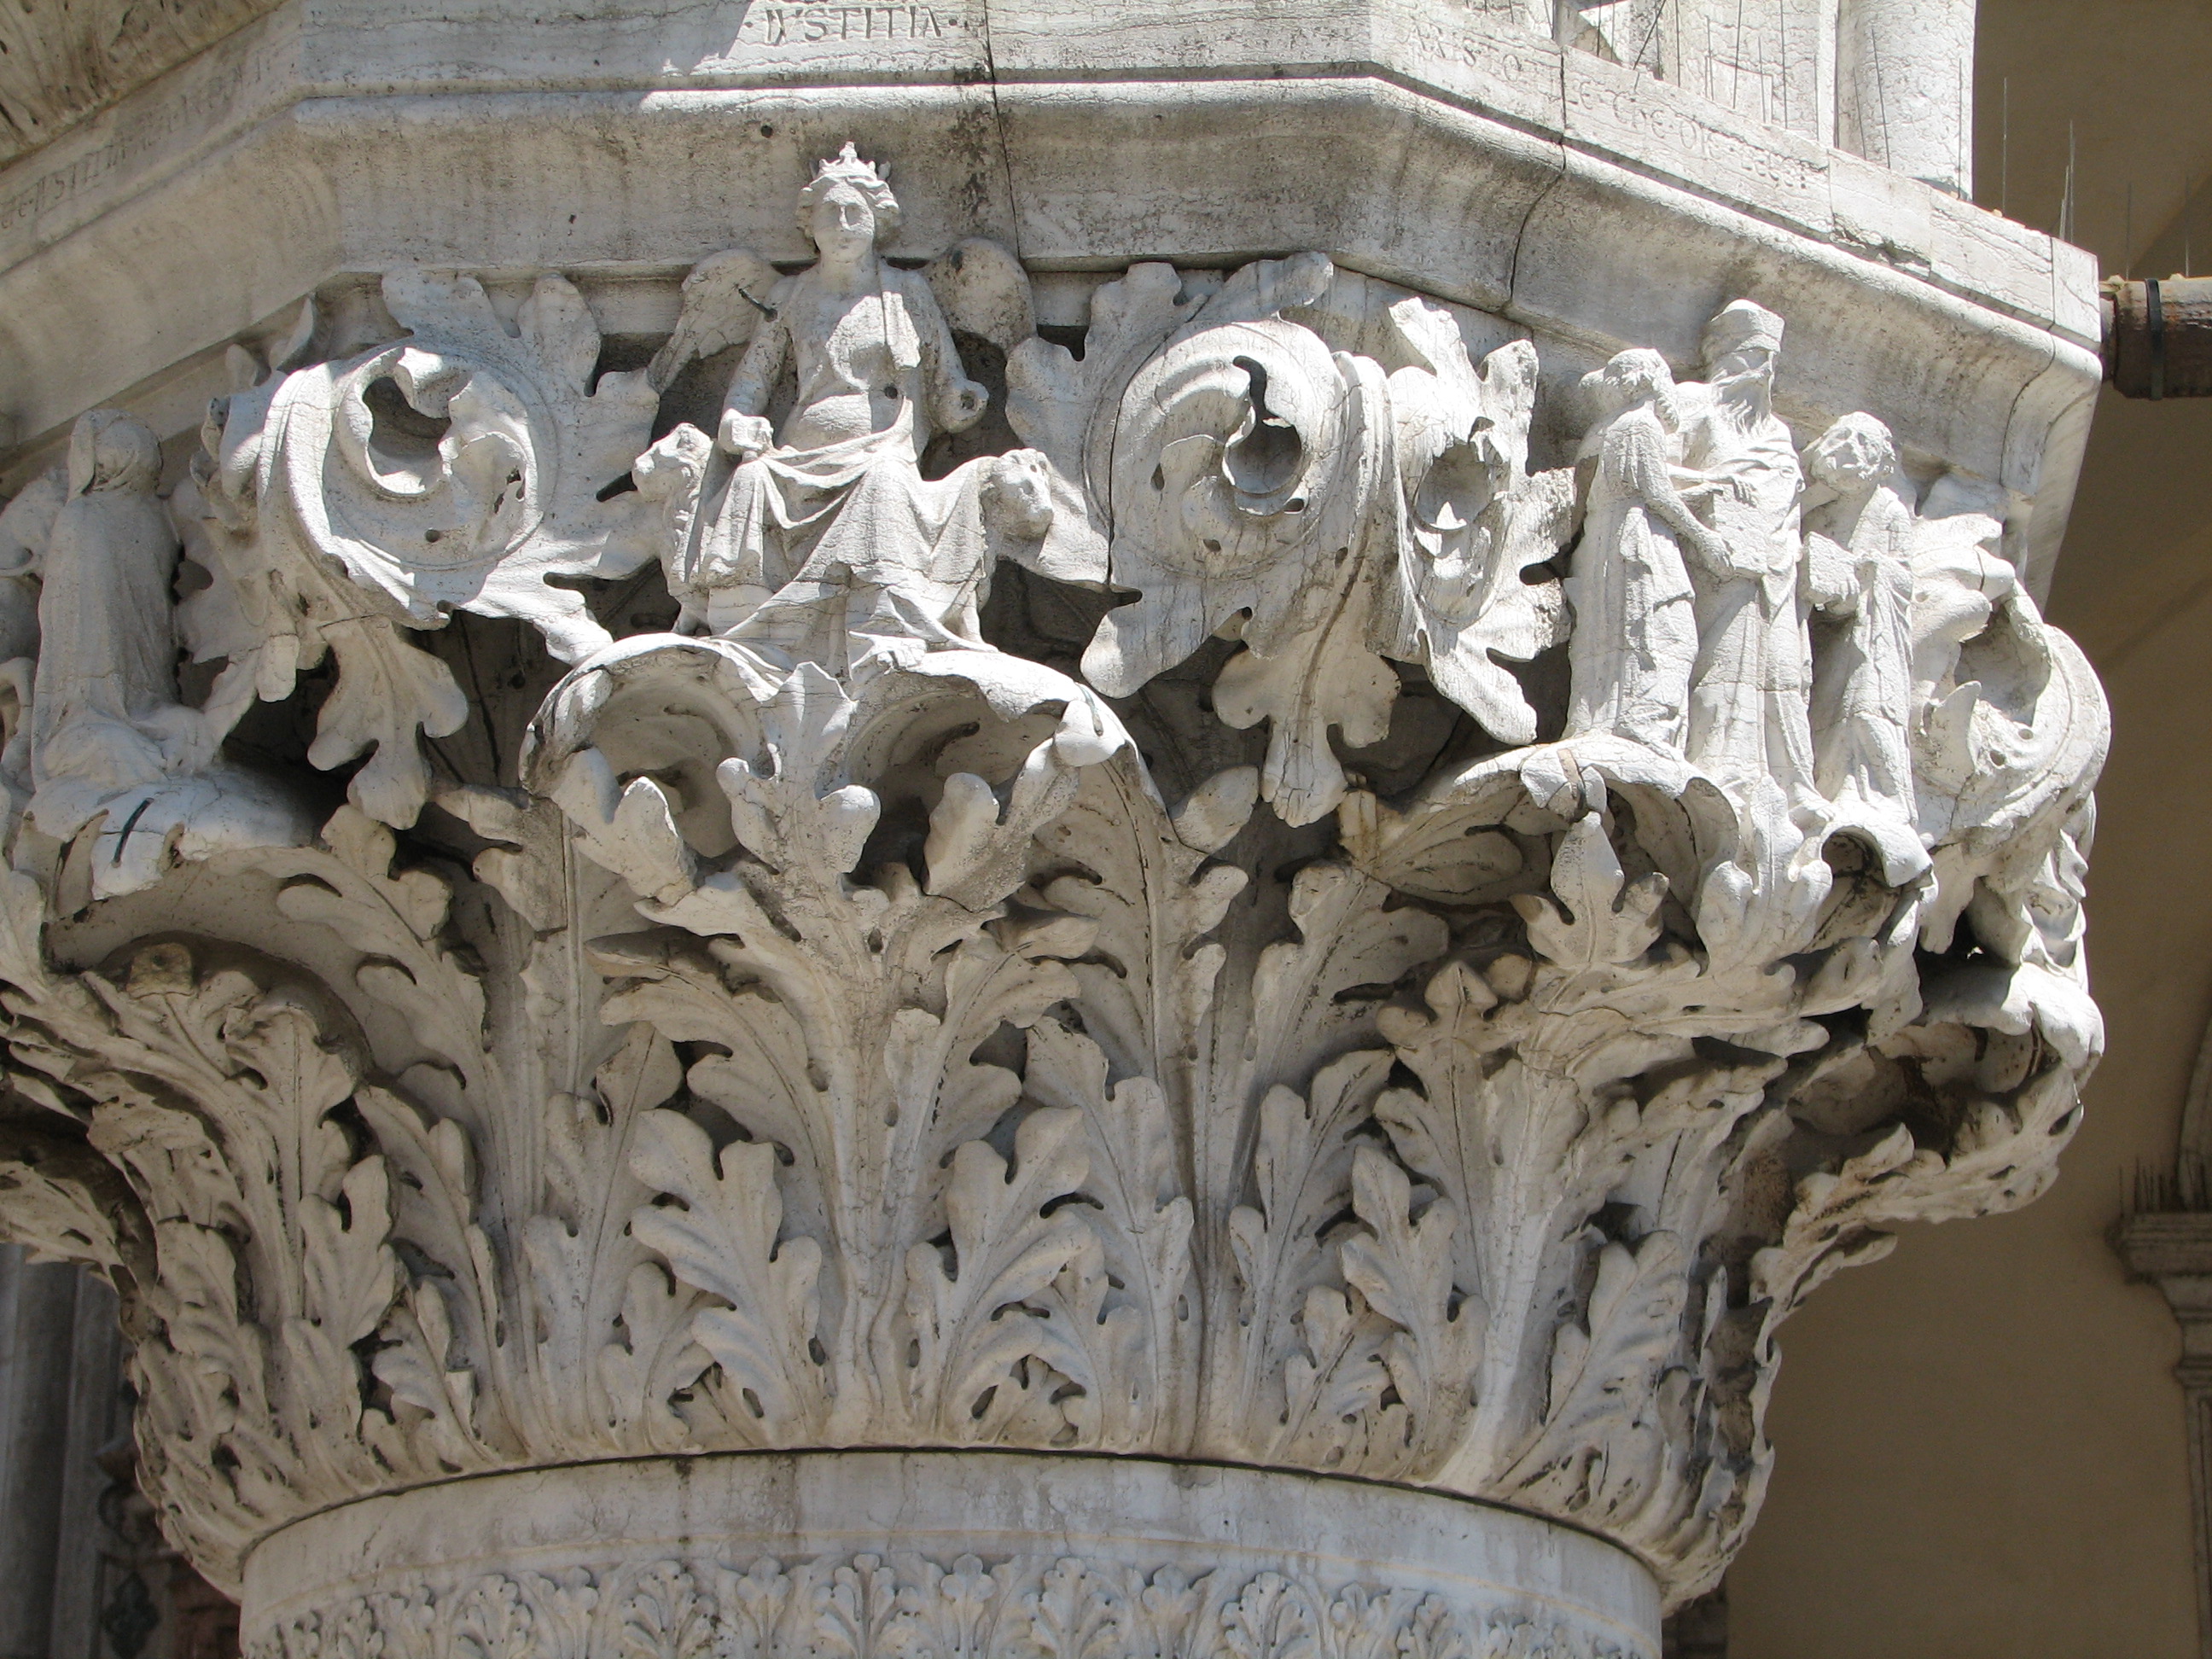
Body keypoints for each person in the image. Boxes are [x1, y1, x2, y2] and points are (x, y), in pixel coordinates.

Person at [672, 145, 1037, 680]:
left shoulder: (907, 292)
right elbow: (750, 384)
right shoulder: (791, 295)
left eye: (855, 213)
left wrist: (961, 402)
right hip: (797, 453)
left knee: (886, 480)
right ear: (810, 225)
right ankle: (747, 620)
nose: (843, 225)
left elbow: (944, 385)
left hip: (883, 449)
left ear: (877, 222)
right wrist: (735, 424)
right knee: (749, 478)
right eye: (831, 213)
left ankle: (881, 621)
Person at [1674, 300, 1819, 812]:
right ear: (1723, 357)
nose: (1763, 372)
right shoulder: (1693, 403)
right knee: (1722, 661)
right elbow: (1652, 473)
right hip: (1715, 559)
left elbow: (1790, 502)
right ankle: (1715, 765)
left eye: (1769, 361)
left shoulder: (1779, 433)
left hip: (1776, 568)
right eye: (1752, 357)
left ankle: (1790, 781)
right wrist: (1713, 490)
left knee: (1784, 673)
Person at [1563, 349, 1731, 751]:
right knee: (1668, 634)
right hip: (1639, 537)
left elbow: (1646, 476)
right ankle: (1646, 725)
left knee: (1621, 632)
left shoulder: (1619, 427)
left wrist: (1701, 482)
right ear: (1648, 379)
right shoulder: (1641, 425)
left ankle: (1613, 719)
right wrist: (1704, 537)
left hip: (1612, 535)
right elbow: (1655, 491)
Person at [1802, 413, 1919, 847]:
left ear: (1882, 463)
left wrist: (1870, 570)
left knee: (1866, 709)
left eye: (1863, 442)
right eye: (1843, 437)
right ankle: (1822, 780)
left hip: (1869, 635)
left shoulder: (1888, 509)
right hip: (1816, 630)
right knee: (1820, 709)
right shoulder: (1815, 502)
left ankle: (1879, 797)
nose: (1851, 447)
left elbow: (1903, 576)